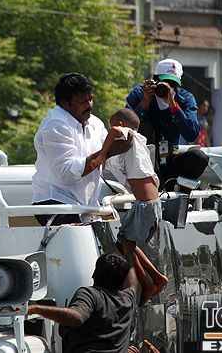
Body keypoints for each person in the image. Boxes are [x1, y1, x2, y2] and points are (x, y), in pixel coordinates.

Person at [32, 73, 131, 226]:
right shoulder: (55, 125)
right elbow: (67, 174)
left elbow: (112, 162)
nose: (89, 105)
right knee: (83, 238)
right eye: (83, 102)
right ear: (65, 104)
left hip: (84, 207)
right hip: (55, 202)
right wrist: (108, 151)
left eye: (90, 99)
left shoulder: (95, 123)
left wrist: (127, 145)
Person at [96, 108, 169, 305]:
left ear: (121, 124)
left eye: (112, 125)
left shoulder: (129, 134)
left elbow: (115, 132)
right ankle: (153, 280)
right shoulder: (137, 143)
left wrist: (102, 155)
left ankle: (150, 282)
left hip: (146, 205)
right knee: (124, 242)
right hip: (145, 204)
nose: (111, 130)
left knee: (125, 244)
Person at [28, 253, 139, 353]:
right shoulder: (127, 300)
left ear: (94, 274)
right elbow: (133, 283)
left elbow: (77, 317)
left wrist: (36, 309)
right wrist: (129, 254)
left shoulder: (91, 294)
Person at [126, 59, 208, 190]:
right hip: (143, 159)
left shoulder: (185, 99)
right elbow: (126, 128)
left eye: (172, 85)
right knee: (146, 129)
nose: (167, 89)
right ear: (155, 80)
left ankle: (178, 187)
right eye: (164, 83)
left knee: (199, 157)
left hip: (170, 157)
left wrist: (174, 107)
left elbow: (191, 134)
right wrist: (144, 103)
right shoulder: (140, 94)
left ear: (178, 85)